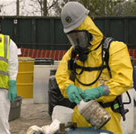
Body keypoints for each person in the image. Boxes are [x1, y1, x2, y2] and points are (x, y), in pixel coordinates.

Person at [55, 2, 133, 134]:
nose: (77, 40)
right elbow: (61, 75)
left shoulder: (114, 48)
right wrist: (68, 87)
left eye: (79, 35)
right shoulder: (72, 53)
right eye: (72, 37)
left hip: (107, 117)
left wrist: (99, 91)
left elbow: (125, 79)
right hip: (80, 114)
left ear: (89, 30)